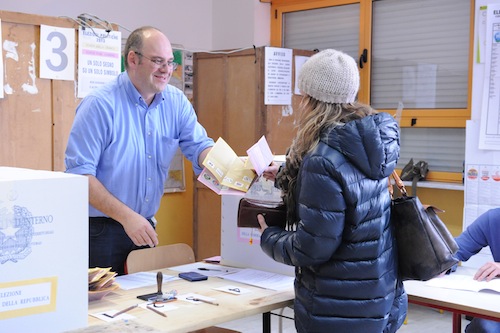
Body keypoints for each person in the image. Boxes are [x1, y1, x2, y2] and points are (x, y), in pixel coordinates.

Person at [257, 49, 407, 333]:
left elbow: (313, 247)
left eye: (302, 95)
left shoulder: (321, 159)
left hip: (337, 311)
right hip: (379, 299)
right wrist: (286, 175)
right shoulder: (367, 143)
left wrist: (269, 237)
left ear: (312, 100)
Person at [65, 26, 214, 275]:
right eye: (157, 61)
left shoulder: (176, 103)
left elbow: (199, 146)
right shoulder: (100, 105)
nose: (166, 70)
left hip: (143, 227)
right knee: (102, 309)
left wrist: (226, 168)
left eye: (170, 62)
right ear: (132, 59)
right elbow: (80, 176)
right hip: (100, 230)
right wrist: (126, 217)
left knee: (143, 306)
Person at [454, 208, 500, 333]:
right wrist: (441, 262)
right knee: (484, 327)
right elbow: (455, 249)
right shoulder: (493, 218)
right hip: (495, 304)